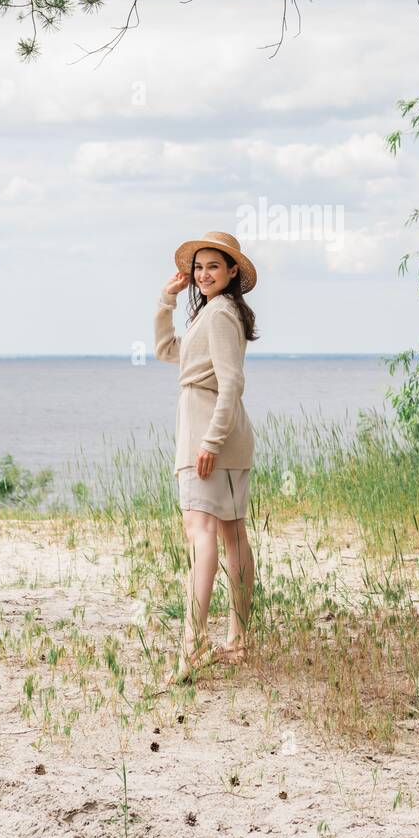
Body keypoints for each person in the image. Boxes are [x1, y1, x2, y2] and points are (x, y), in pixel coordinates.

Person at [154, 230, 258, 683]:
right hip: (223, 431)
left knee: (201, 533)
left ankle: (192, 643)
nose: (203, 274)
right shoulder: (215, 312)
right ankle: (237, 639)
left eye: (213, 266)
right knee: (232, 535)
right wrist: (166, 300)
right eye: (199, 267)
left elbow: (231, 382)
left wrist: (210, 442)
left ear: (232, 271)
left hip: (208, 432)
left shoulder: (218, 314)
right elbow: (166, 351)